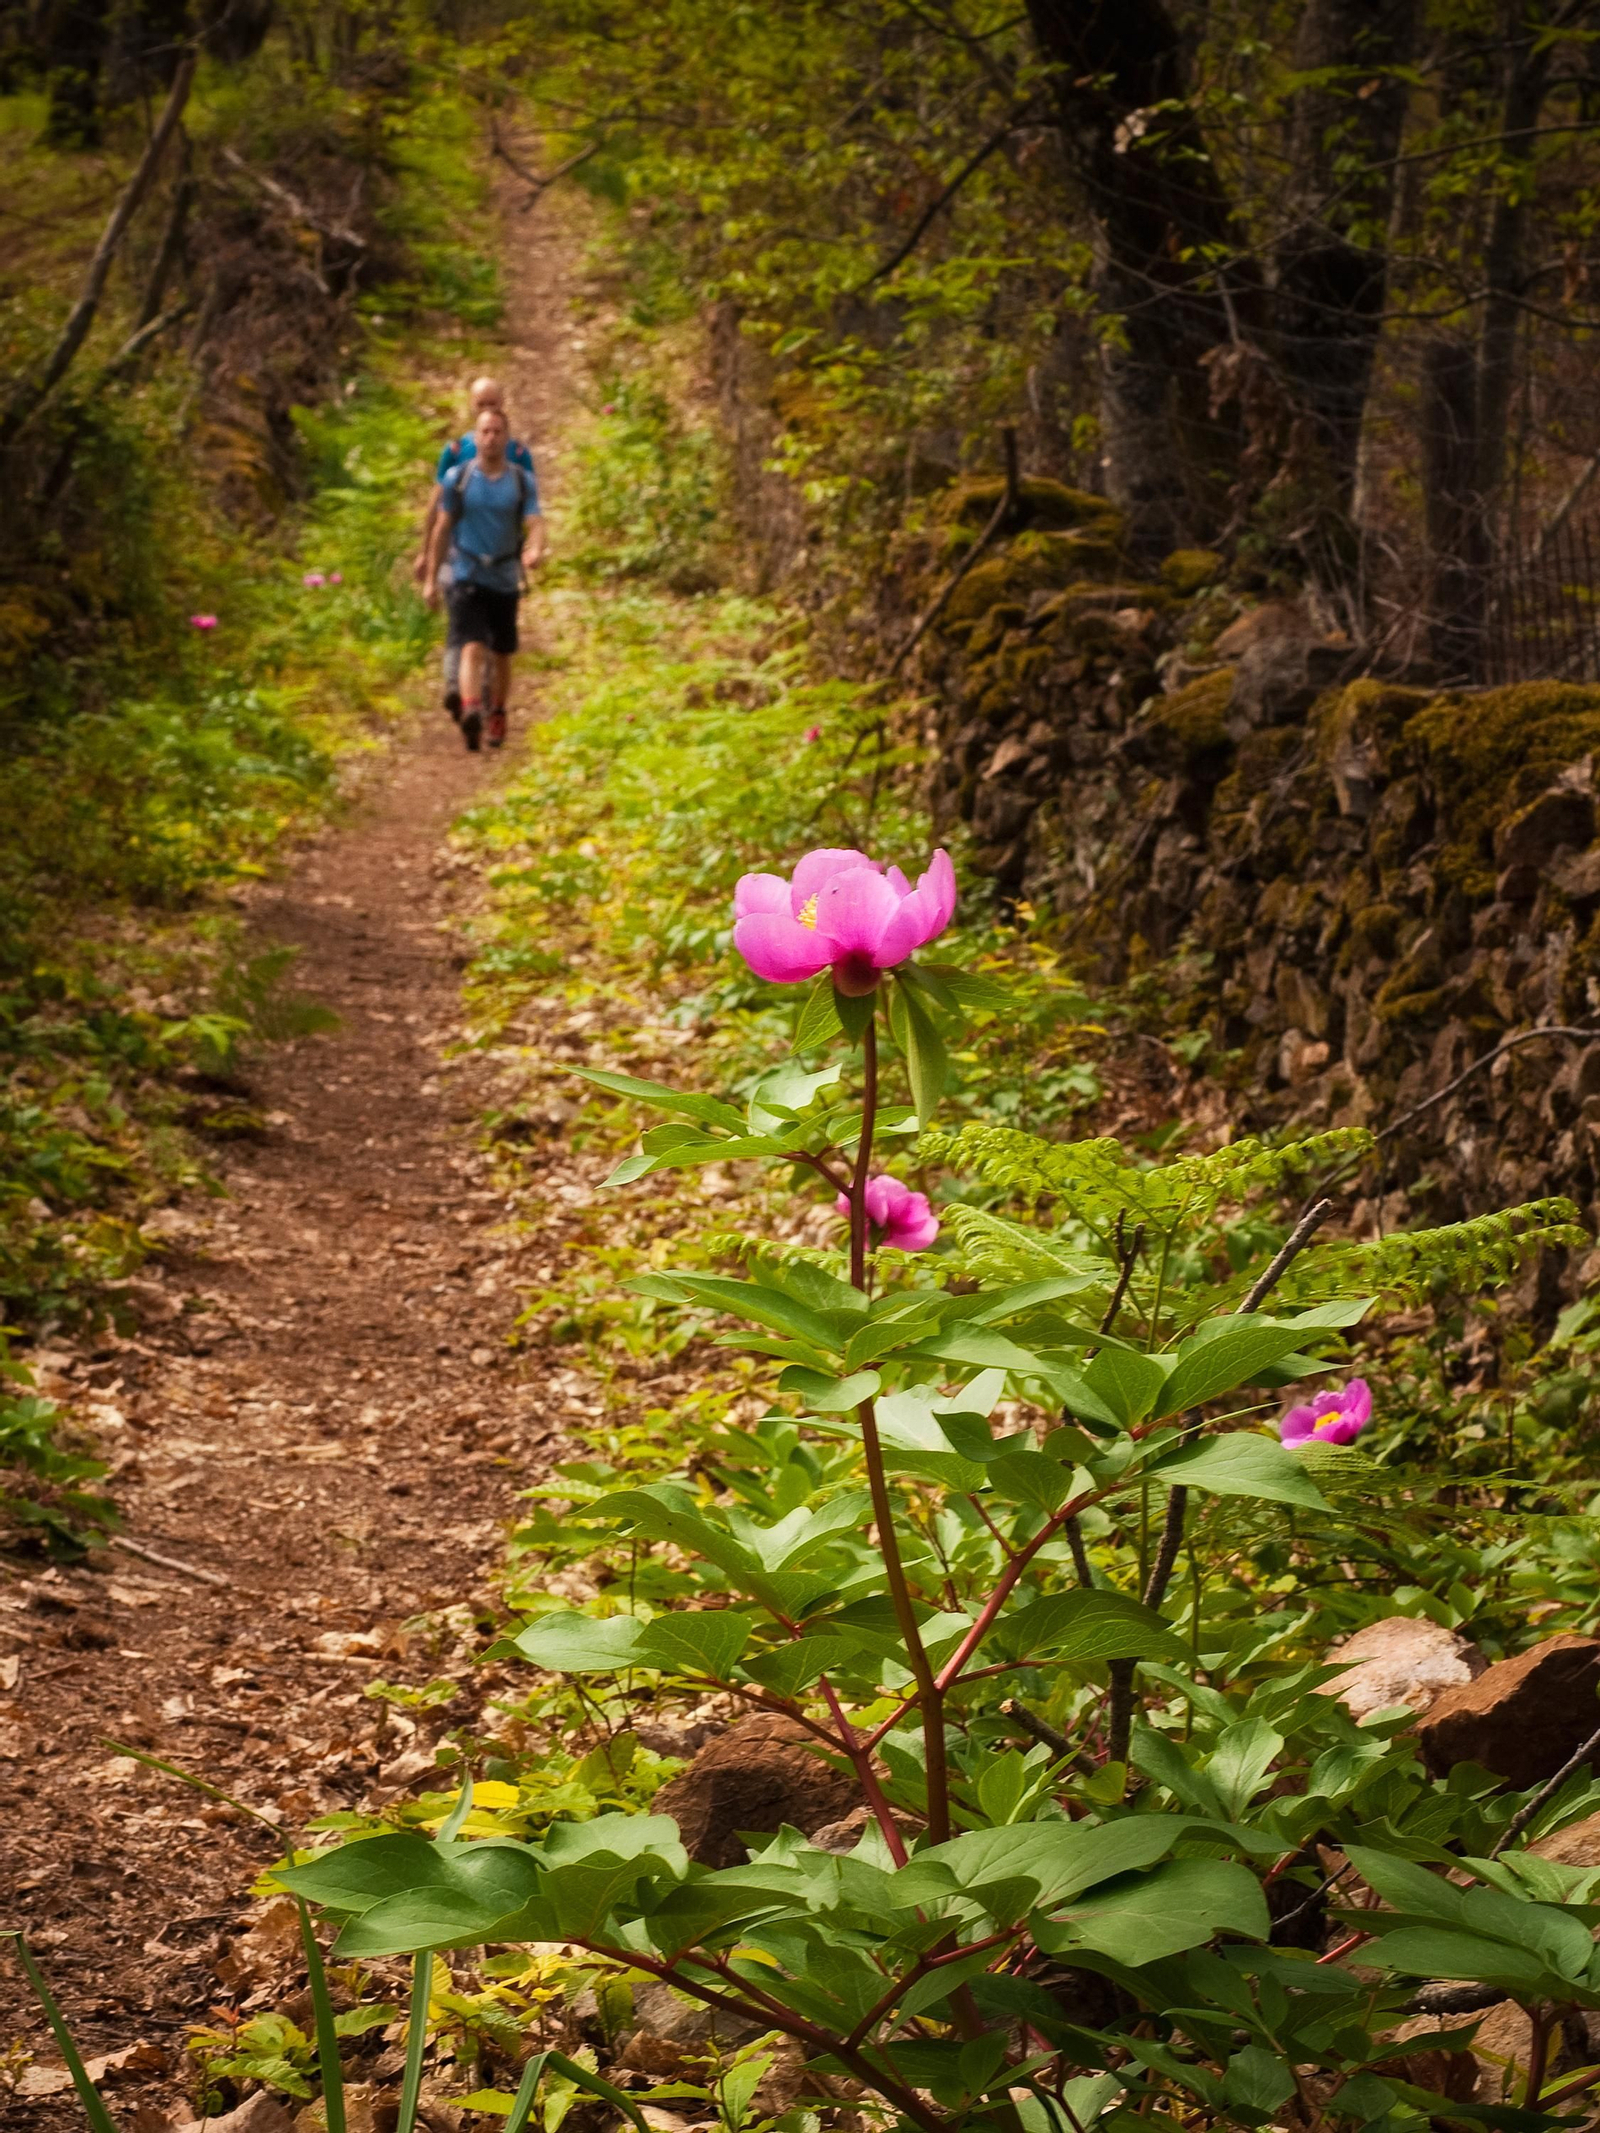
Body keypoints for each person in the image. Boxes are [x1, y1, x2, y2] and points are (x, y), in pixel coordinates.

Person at [413, 376, 539, 721]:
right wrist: (426, 552)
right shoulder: (455, 452)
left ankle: (485, 696)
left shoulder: (517, 454)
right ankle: (456, 688)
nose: (488, 411)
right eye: (481, 405)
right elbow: (438, 505)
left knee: (493, 639)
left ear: (503, 405)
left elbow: (528, 505)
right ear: (471, 407)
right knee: (463, 624)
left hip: (499, 557)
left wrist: (530, 547)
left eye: (493, 404)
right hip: (459, 552)